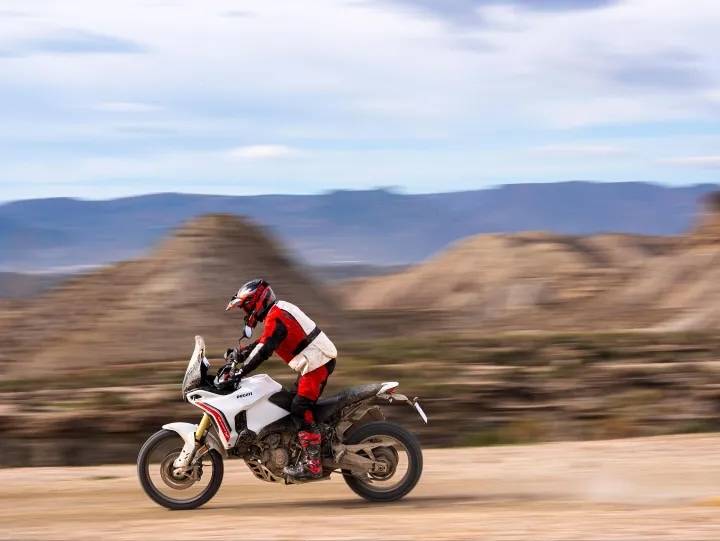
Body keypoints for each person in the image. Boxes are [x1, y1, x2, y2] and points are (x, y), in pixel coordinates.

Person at [225, 278, 337, 480]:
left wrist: (240, 372)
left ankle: (313, 465)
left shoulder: (276, 316)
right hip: (312, 362)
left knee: (299, 407)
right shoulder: (277, 311)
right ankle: (300, 448)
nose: (247, 313)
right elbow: (265, 341)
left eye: (246, 307)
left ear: (256, 302)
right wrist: (241, 354)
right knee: (288, 402)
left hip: (317, 362)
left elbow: (264, 350)